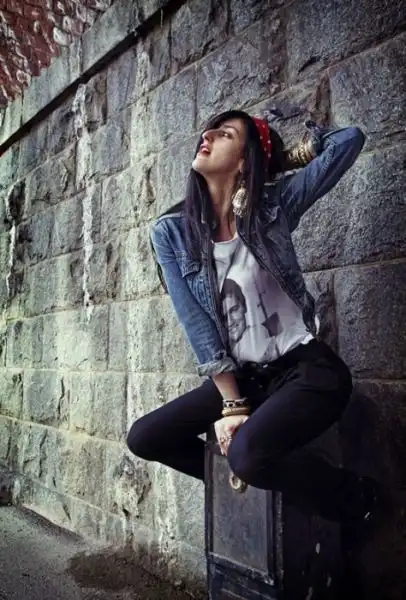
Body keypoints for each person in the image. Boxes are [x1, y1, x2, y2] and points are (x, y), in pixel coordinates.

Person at [127, 109, 384, 525]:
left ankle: (357, 498)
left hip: (307, 370)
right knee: (146, 437)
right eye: (209, 130)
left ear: (245, 160)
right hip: (244, 379)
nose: (208, 135)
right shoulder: (171, 233)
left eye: (225, 134)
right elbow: (196, 324)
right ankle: (265, 480)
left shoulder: (273, 208)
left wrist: (284, 159)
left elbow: (349, 140)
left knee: (247, 456)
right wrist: (232, 404)